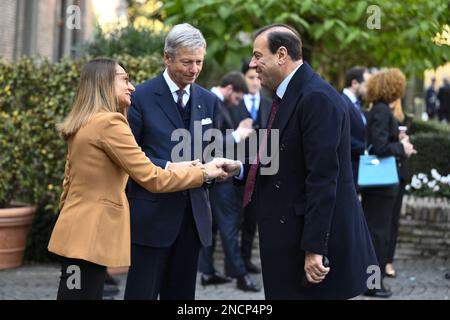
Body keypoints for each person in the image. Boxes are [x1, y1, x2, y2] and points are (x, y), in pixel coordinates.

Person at [47, 58, 226, 300]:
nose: (131, 86)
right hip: (91, 237)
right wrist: (204, 173)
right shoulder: (110, 123)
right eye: (124, 79)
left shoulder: (84, 122)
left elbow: (68, 182)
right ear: (104, 84)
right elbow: (152, 178)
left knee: (73, 294)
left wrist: (175, 165)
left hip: (75, 231)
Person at [239, 24, 378, 299]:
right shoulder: (292, 93)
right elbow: (281, 157)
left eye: (257, 55)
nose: (253, 64)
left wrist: (315, 248)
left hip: (309, 245)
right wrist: (240, 168)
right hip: (290, 238)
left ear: (281, 54)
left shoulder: (316, 97)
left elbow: (323, 178)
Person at [124, 23, 236, 300]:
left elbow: (213, 149)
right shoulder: (140, 97)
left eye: (199, 62)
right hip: (151, 218)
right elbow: (130, 156)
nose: (194, 69)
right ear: (167, 57)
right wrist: (179, 169)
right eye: (187, 62)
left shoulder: (208, 100)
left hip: (193, 218)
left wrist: (221, 166)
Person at [199, 71, 260, 292]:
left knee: (214, 225)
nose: (238, 103)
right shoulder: (210, 101)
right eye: (238, 98)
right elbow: (206, 142)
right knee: (229, 226)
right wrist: (238, 134)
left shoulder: (215, 101)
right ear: (230, 88)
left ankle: (207, 272)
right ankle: (241, 276)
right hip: (218, 176)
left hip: (214, 176)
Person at [362, 68, 417, 298]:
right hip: (382, 185)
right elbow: (381, 147)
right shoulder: (383, 111)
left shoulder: (379, 110)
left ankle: (372, 282)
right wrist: (401, 147)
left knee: (376, 233)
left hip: (380, 185)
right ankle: (373, 284)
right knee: (378, 234)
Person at [230, 59, 272, 274]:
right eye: (250, 77)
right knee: (234, 219)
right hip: (235, 170)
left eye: (257, 77)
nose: (255, 82)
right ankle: (233, 264)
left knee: (252, 219)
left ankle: (246, 260)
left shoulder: (268, 103)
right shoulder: (234, 103)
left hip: (259, 171)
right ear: (243, 78)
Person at [385, 99, 413, 278]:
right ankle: (377, 264)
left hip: (399, 172)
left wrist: (405, 144)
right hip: (384, 174)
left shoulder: (403, 118)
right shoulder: (379, 114)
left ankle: (388, 261)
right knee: (382, 222)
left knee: (393, 220)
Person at [340, 67, 370, 187]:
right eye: (366, 85)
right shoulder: (342, 102)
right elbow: (343, 135)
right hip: (348, 171)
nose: (368, 89)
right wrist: (365, 150)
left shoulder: (356, 104)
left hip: (356, 169)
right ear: (354, 83)